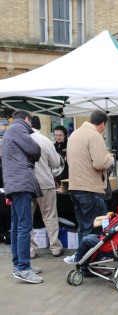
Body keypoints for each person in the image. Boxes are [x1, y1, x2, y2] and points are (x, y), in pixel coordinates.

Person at [2, 110, 43, 284]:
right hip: (21, 182)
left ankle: (19, 264)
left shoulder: (11, 129)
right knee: (24, 225)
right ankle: (23, 268)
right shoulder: (19, 128)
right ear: (26, 119)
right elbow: (35, 149)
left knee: (17, 225)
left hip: (15, 182)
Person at [66, 110, 114, 253]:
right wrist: (110, 158)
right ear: (103, 124)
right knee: (94, 228)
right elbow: (99, 163)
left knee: (83, 227)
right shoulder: (95, 135)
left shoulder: (74, 134)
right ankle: (90, 263)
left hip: (75, 187)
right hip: (91, 189)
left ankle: (82, 261)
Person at [29, 116, 64, 259]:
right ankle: (55, 247)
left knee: (27, 218)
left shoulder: (22, 139)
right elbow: (56, 163)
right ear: (39, 126)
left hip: (28, 184)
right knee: (49, 216)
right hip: (45, 182)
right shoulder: (45, 140)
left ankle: (30, 250)